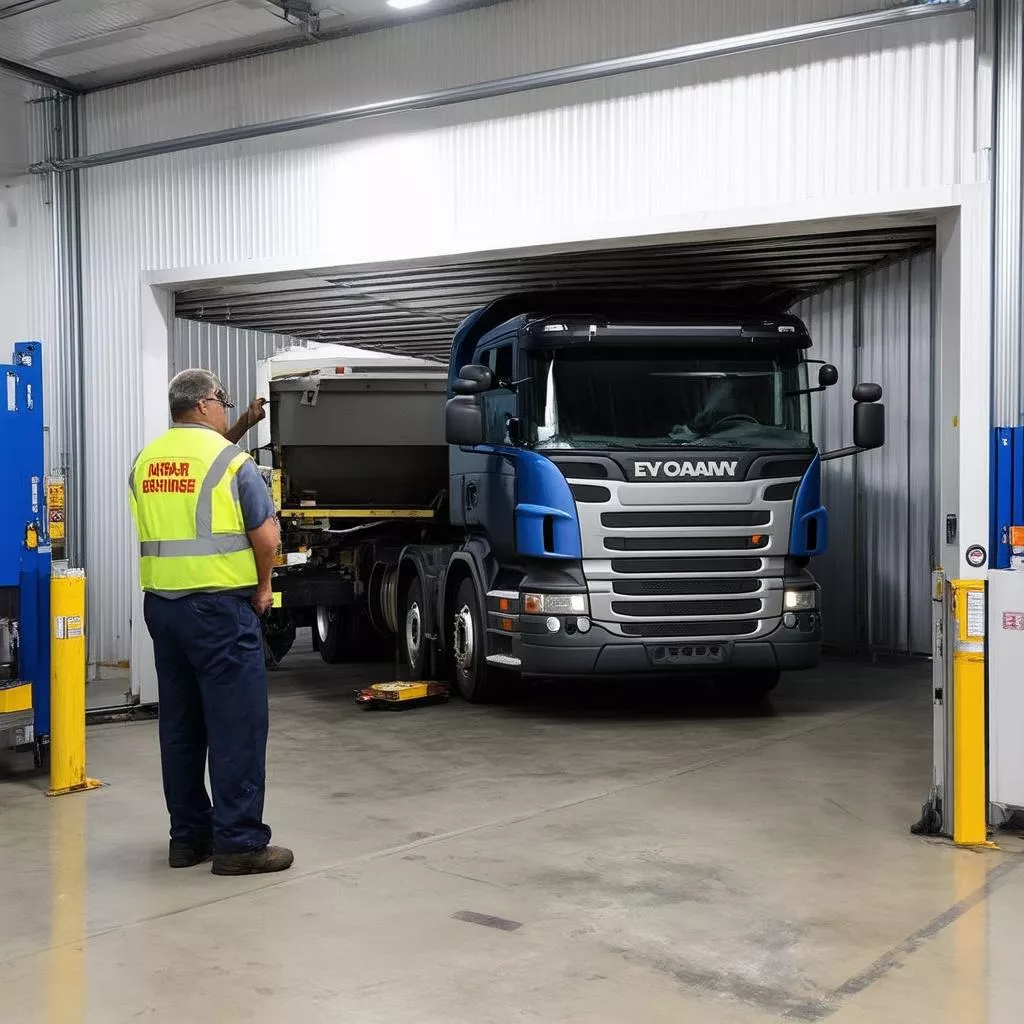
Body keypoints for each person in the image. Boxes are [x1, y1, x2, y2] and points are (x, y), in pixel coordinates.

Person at [128, 368, 293, 876]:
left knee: (180, 725)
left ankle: (188, 840)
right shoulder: (231, 462)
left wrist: (244, 420)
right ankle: (239, 843)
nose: (224, 406)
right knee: (236, 724)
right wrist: (264, 588)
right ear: (202, 405)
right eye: (221, 399)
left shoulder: (145, 460)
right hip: (220, 609)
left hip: (164, 609)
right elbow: (267, 540)